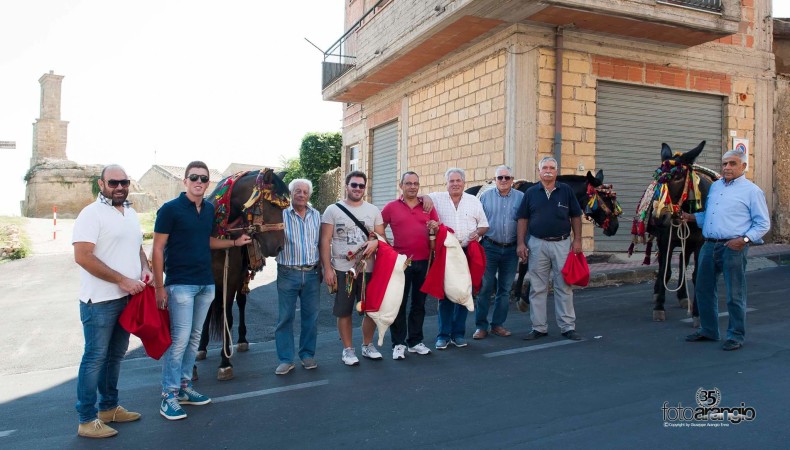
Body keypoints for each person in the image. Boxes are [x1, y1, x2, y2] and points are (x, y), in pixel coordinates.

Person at [152, 161, 251, 420]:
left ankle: (184, 387)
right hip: (180, 284)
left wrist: (234, 242)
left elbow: (206, 241)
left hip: (205, 284)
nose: (199, 181)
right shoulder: (169, 210)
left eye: (203, 178)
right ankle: (168, 396)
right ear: (185, 181)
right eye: (194, 177)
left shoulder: (208, 210)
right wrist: (159, 286)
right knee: (179, 341)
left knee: (194, 339)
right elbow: (158, 248)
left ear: (208, 184)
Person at [72, 164, 150, 438]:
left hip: (127, 298)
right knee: (95, 358)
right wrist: (122, 280)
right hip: (100, 301)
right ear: (101, 184)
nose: (119, 187)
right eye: (113, 182)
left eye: (124, 182)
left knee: (115, 356)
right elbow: (83, 256)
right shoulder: (91, 214)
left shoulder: (129, 213)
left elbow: (136, 246)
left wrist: (145, 267)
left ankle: (108, 408)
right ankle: (86, 419)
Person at [682, 149, 770, 351]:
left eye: (732, 163)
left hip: (733, 247)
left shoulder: (752, 191)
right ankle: (709, 330)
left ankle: (736, 335)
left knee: (734, 294)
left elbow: (762, 224)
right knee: (703, 289)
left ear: (743, 166)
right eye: (724, 164)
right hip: (709, 244)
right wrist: (691, 217)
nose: (727, 167)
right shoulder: (715, 187)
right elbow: (710, 216)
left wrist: (745, 239)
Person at [320, 170, 385, 365]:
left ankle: (367, 345)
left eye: (361, 186)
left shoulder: (373, 210)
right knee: (344, 311)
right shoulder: (333, 210)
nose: (357, 189)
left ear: (365, 188)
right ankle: (348, 350)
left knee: (371, 310)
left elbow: (382, 238)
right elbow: (324, 241)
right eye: (354, 185)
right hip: (342, 269)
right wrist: (327, 269)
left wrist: (375, 243)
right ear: (346, 186)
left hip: (368, 270)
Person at [517, 157, 583, 341]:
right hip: (537, 244)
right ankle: (538, 328)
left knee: (564, 286)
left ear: (556, 171)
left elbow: (576, 216)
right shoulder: (531, 192)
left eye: (551, 168)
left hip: (562, 243)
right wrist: (521, 243)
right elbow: (522, 218)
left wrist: (577, 240)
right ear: (539, 172)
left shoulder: (566, 191)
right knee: (537, 287)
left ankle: (567, 327)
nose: (548, 171)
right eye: (544, 168)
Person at [428, 168, 489, 349]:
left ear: (464, 183)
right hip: (446, 253)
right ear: (446, 184)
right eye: (451, 181)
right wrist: (426, 199)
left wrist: (477, 233)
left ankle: (458, 334)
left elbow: (484, 225)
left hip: (466, 251)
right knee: (445, 294)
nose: (455, 184)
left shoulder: (473, 201)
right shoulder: (437, 198)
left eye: (458, 181)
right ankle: (443, 335)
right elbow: (422, 198)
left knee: (464, 292)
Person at [381, 171, 440, 360]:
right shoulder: (391, 207)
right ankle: (398, 344)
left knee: (419, 304)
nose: (412, 186)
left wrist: (435, 226)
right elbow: (378, 228)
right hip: (401, 262)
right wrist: (388, 249)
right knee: (399, 303)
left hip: (424, 261)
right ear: (401, 186)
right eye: (408, 183)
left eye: (415, 183)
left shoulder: (427, 205)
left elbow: (437, 226)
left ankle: (415, 342)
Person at [274, 179, 321, 374]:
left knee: (311, 317)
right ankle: (286, 359)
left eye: (305, 191)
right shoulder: (280, 215)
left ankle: (307, 355)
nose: (301, 194)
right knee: (285, 317)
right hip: (287, 272)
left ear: (309, 195)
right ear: (291, 194)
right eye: (297, 191)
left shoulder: (317, 215)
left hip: (312, 273)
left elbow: (322, 243)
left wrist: (327, 269)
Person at [474, 165, 524, 339]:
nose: (503, 181)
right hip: (489, 247)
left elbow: (524, 222)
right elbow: (477, 220)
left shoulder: (521, 198)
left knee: (504, 289)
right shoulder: (485, 197)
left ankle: (497, 325)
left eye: (507, 178)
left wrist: (523, 244)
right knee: (485, 287)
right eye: (500, 178)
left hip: (511, 249)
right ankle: (481, 326)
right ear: (495, 180)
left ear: (512, 180)